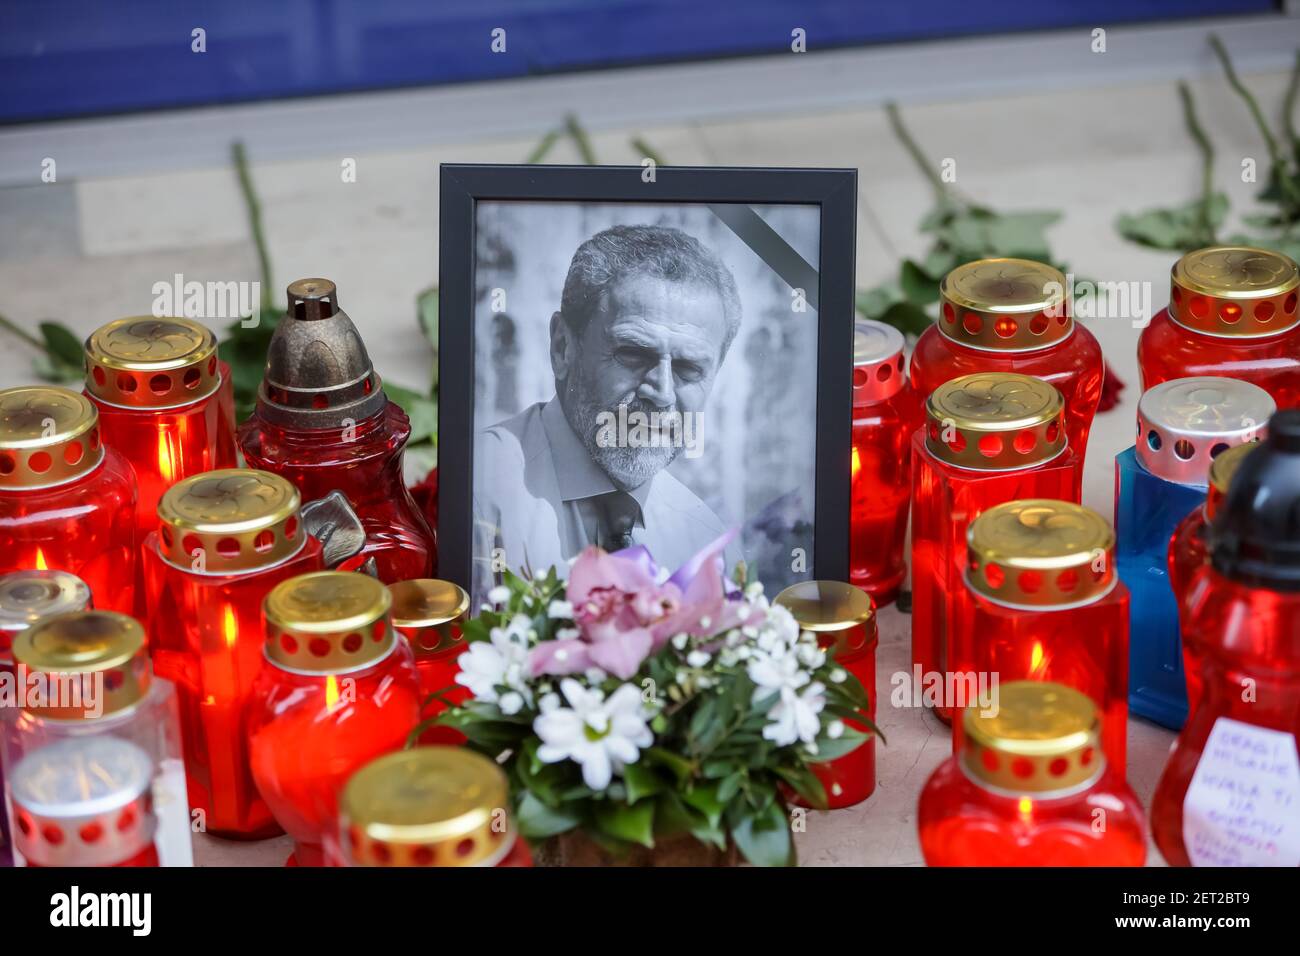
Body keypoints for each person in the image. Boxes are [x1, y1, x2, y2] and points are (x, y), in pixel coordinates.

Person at [474, 224, 742, 598]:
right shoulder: (482, 490)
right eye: (632, 354)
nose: (662, 394)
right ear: (562, 347)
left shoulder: (705, 543)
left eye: (688, 369)